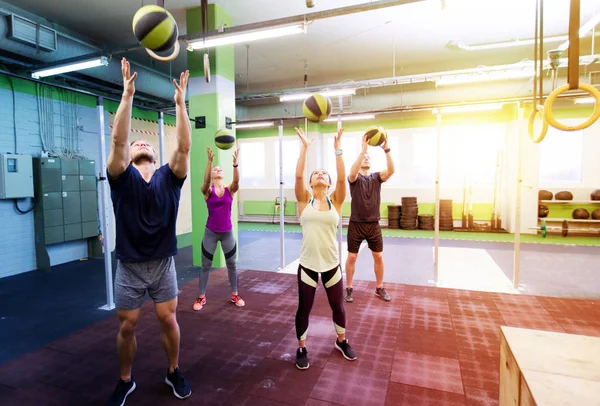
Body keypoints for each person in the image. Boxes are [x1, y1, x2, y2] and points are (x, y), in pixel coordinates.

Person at [106, 58, 192, 406]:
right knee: (127, 326)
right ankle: (125, 380)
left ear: (155, 157)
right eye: (136, 144)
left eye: (147, 145)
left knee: (167, 318)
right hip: (129, 265)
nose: (140, 143)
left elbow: (184, 147)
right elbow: (118, 141)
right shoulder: (121, 176)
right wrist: (127, 96)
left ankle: (173, 370)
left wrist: (181, 104)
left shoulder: (169, 179)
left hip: (162, 264)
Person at [293, 126, 357, 370]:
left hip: (332, 265)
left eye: (323, 174)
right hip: (308, 265)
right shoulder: (303, 200)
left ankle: (341, 340)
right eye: (315, 173)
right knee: (304, 309)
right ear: (310, 183)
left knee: (337, 306)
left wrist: (337, 149)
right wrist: (304, 149)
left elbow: (343, 178)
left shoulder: (336, 201)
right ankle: (301, 347)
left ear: (329, 184)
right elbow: (298, 177)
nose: (320, 175)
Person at [192, 144, 245, 310]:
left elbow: (237, 181)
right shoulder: (207, 190)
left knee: (232, 264)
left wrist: (235, 164)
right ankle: (201, 297)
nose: (218, 170)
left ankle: (235, 294)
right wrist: (209, 162)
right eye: (216, 169)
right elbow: (206, 181)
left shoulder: (230, 189)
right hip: (211, 233)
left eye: (220, 169)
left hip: (227, 233)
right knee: (206, 265)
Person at [344, 133, 395, 303]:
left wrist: (386, 149)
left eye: (368, 157)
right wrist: (362, 150)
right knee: (352, 257)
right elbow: (351, 172)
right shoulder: (354, 178)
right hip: (356, 224)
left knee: (378, 256)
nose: (366, 158)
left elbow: (392, 171)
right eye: (363, 157)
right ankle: (349, 288)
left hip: (373, 224)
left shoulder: (376, 177)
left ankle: (379, 287)